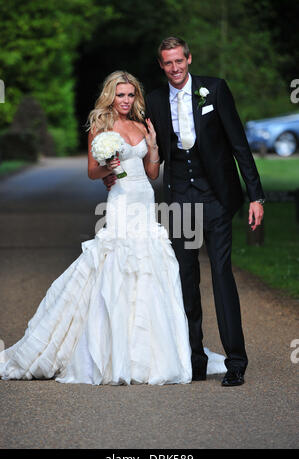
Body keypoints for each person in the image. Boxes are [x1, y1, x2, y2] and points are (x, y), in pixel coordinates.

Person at [0, 70, 226, 385]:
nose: (125, 100)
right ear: (111, 96)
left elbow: (150, 172)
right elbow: (93, 172)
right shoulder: (101, 126)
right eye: (120, 95)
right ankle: (113, 351)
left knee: (153, 267)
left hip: (145, 200)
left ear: (136, 97)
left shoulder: (142, 124)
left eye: (130, 95)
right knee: (118, 264)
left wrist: (154, 148)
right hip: (120, 202)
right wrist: (111, 166)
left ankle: (151, 352)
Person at [104, 38, 265, 387]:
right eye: (168, 63)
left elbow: (239, 143)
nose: (175, 68)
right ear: (161, 66)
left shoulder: (215, 90)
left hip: (216, 199)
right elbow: (126, 134)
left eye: (179, 61)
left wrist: (256, 196)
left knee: (222, 276)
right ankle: (195, 359)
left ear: (189, 59)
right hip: (181, 203)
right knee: (187, 279)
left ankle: (236, 361)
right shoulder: (157, 102)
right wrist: (111, 172)